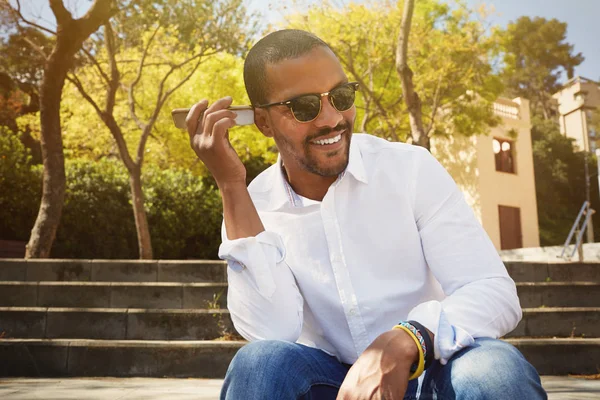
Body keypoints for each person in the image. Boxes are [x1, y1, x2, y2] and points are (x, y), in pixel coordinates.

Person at [186, 29, 546, 400]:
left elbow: (493, 291)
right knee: (259, 364)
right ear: (263, 122)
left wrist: (408, 338)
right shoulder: (252, 204)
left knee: (494, 372)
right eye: (304, 107)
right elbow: (271, 331)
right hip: (329, 384)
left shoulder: (410, 169)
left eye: (341, 97)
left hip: (429, 373)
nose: (332, 119)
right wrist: (231, 185)